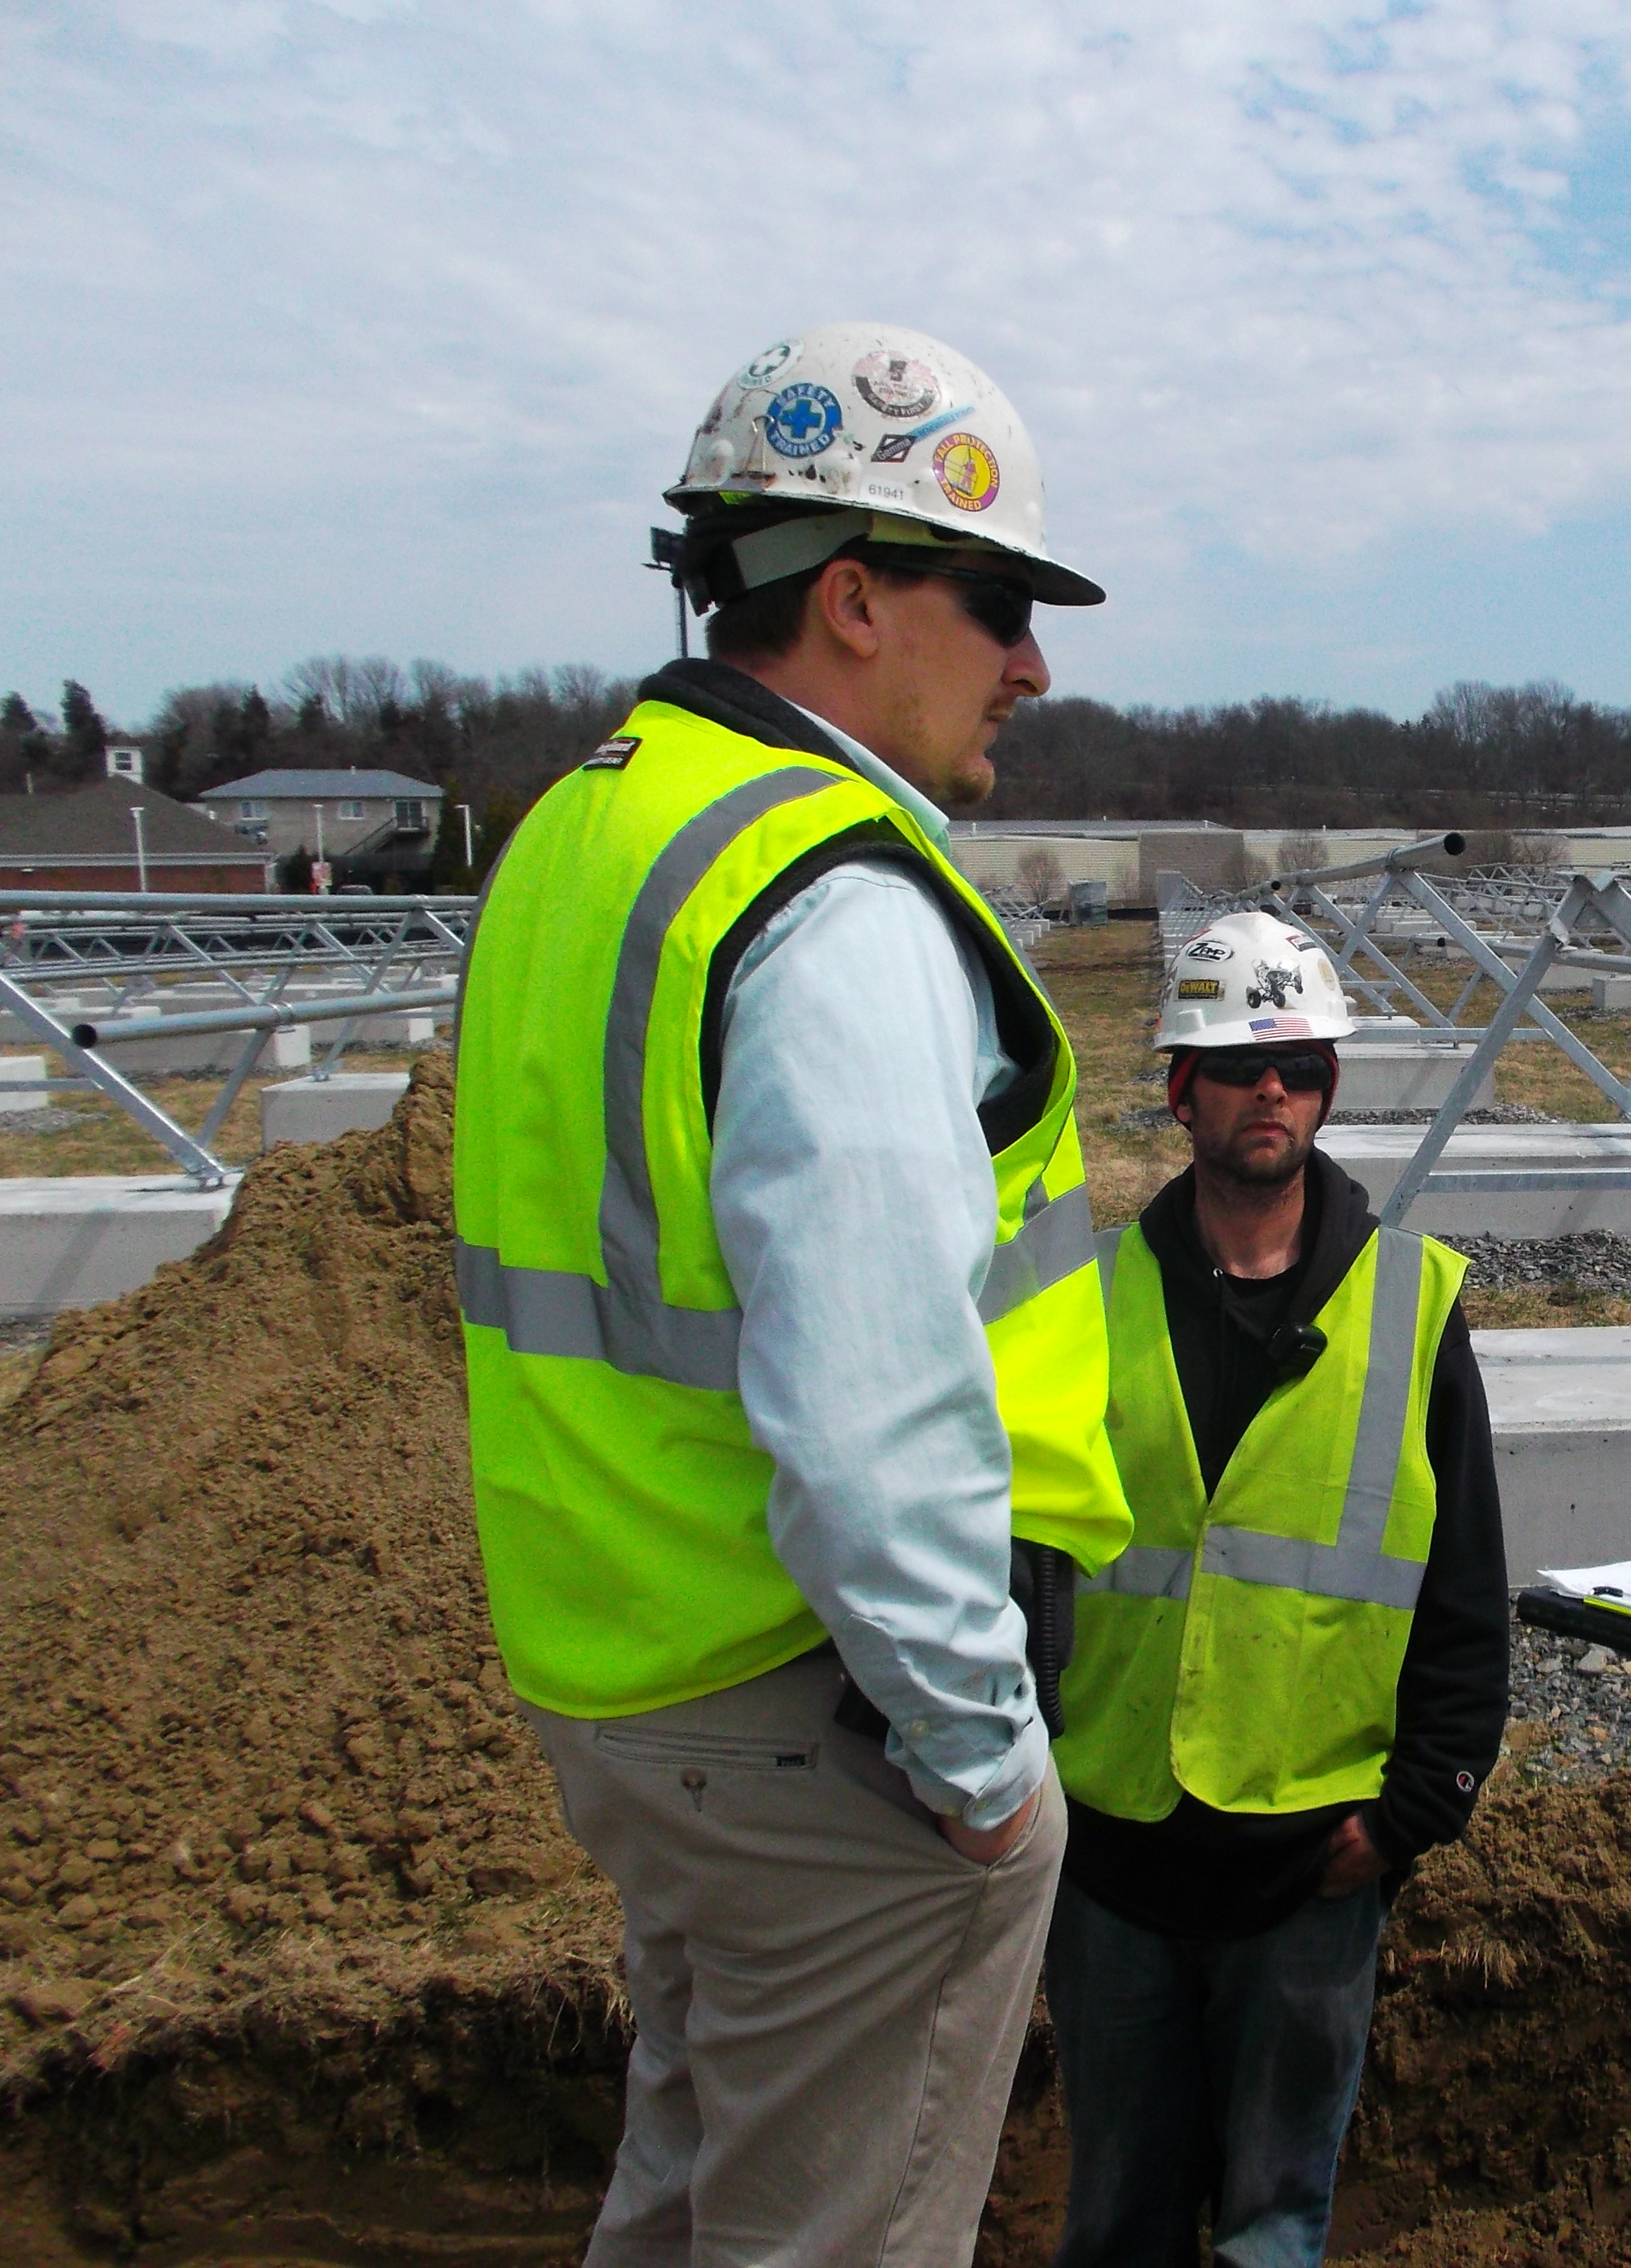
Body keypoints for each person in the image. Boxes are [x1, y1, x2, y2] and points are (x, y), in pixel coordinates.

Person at [454, 322, 1132, 2265]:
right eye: (998, 601)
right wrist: (986, 1765)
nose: (1033, 664)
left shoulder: (590, 821)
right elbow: (870, 1406)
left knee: (691, 2195)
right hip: (828, 1722)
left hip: (635, 1670)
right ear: (850, 600)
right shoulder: (828, 896)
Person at [1049, 909, 1510, 2268]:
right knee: (1117, 2221)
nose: (1273, 1091)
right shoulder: (1092, 1295)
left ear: (1329, 1091)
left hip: (1312, 1862)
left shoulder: (1411, 1303)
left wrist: (1415, 1812)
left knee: (1272, 2228)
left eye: (1301, 1066)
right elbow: (1028, 1563)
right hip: (1119, 1853)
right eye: (1240, 1065)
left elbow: (1466, 1586)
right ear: (1180, 1087)